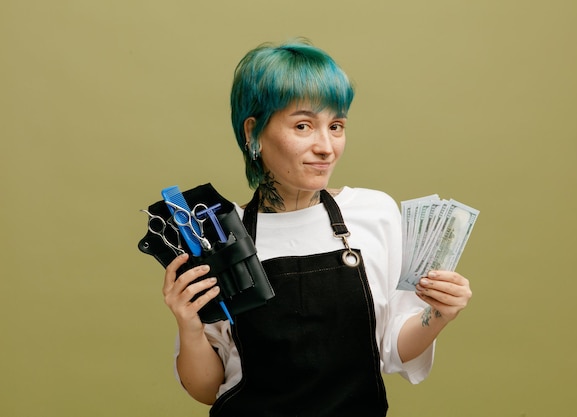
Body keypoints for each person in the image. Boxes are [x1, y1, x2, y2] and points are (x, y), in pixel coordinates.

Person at [162, 39, 472, 417]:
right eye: (304, 125)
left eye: (336, 125)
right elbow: (208, 389)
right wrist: (188, 324)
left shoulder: (375, 213)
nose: (326, 147)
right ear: (253, 132)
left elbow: (392, 350)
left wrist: (440, 313)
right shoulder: (221, 237)